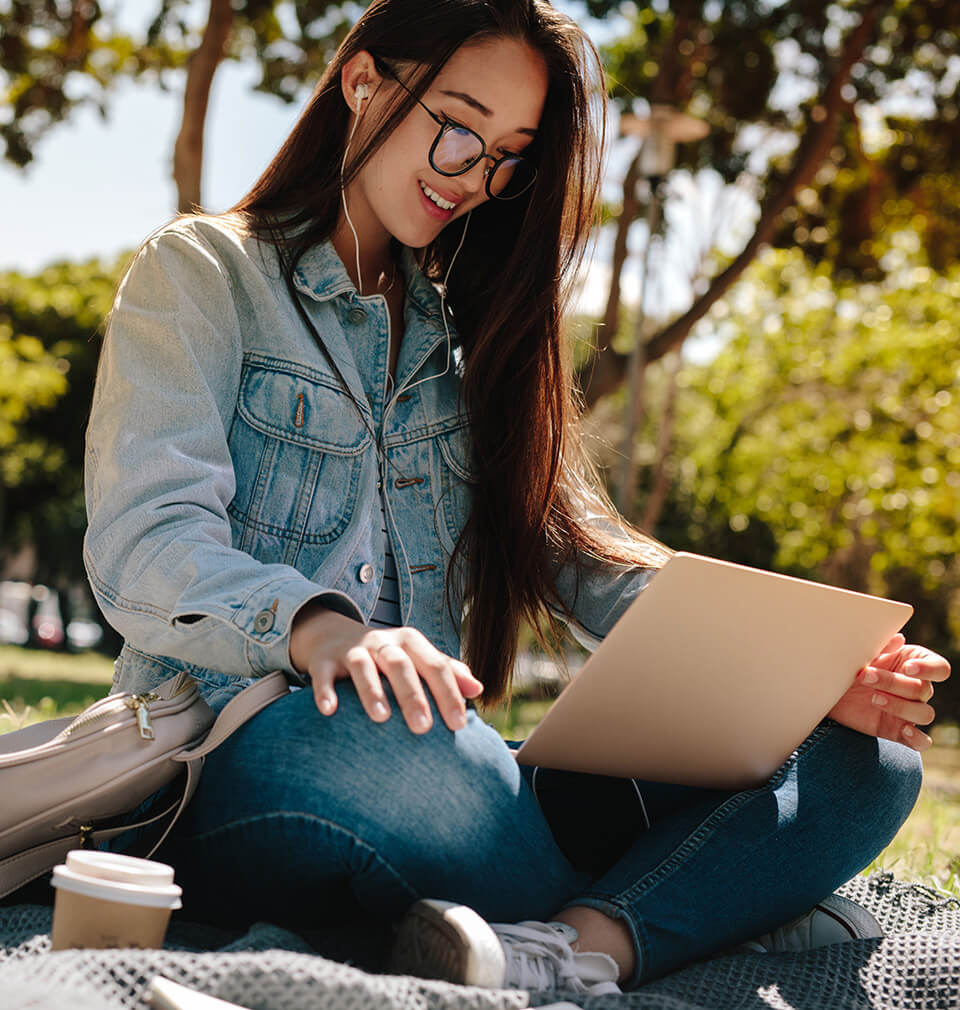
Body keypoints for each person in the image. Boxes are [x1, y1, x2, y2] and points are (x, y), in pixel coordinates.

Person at [83, 0, 950, 994]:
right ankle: (709, 906)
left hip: (458, 774)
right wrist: (324, 631)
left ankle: (577, 946)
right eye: (458, 124)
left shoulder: (466, 340)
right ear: (363, 80)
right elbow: (146, 542)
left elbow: (584, 558)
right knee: (421, 741)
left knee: (862, 760)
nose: (471, 176)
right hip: (254, 757)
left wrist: (804, 669)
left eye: (505, 156)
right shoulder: (203, 270)